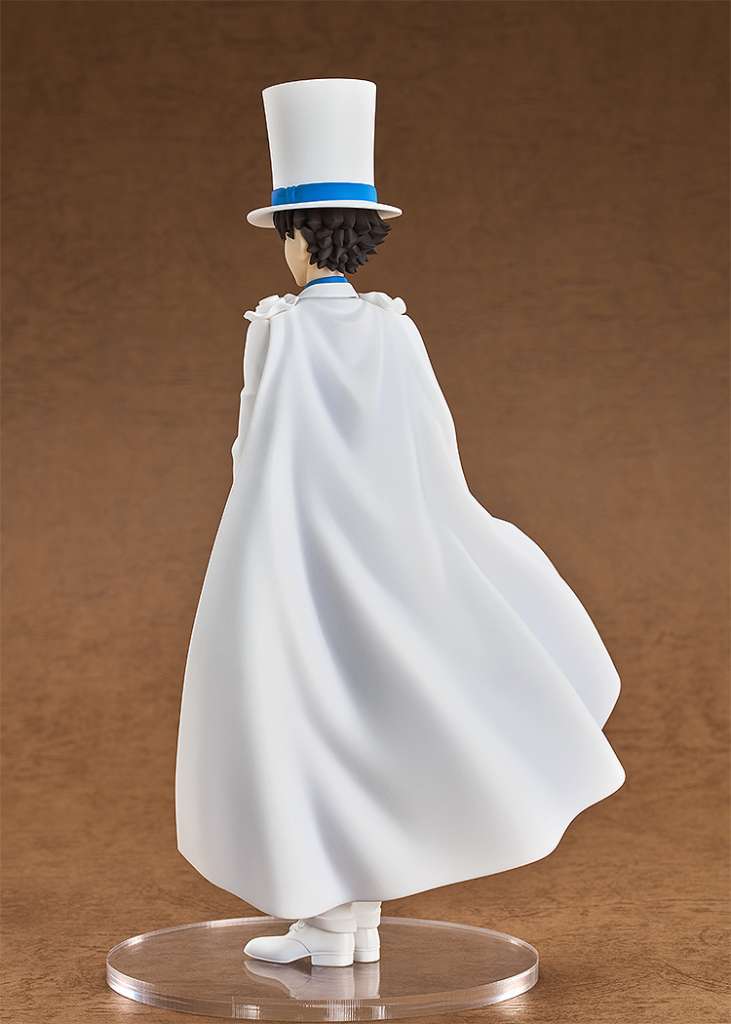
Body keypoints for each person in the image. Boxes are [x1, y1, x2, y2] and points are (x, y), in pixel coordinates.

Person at [174, 78, 625, 969]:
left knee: (305, 714)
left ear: (299, 238)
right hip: (387, 550)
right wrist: (441, 529)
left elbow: (254, 450)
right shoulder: (392, 330)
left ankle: (332, 920)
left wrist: (256, 546)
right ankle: (349, 921)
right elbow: (429, 445)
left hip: (294, 551)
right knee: (374, 715)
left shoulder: (279, 331)